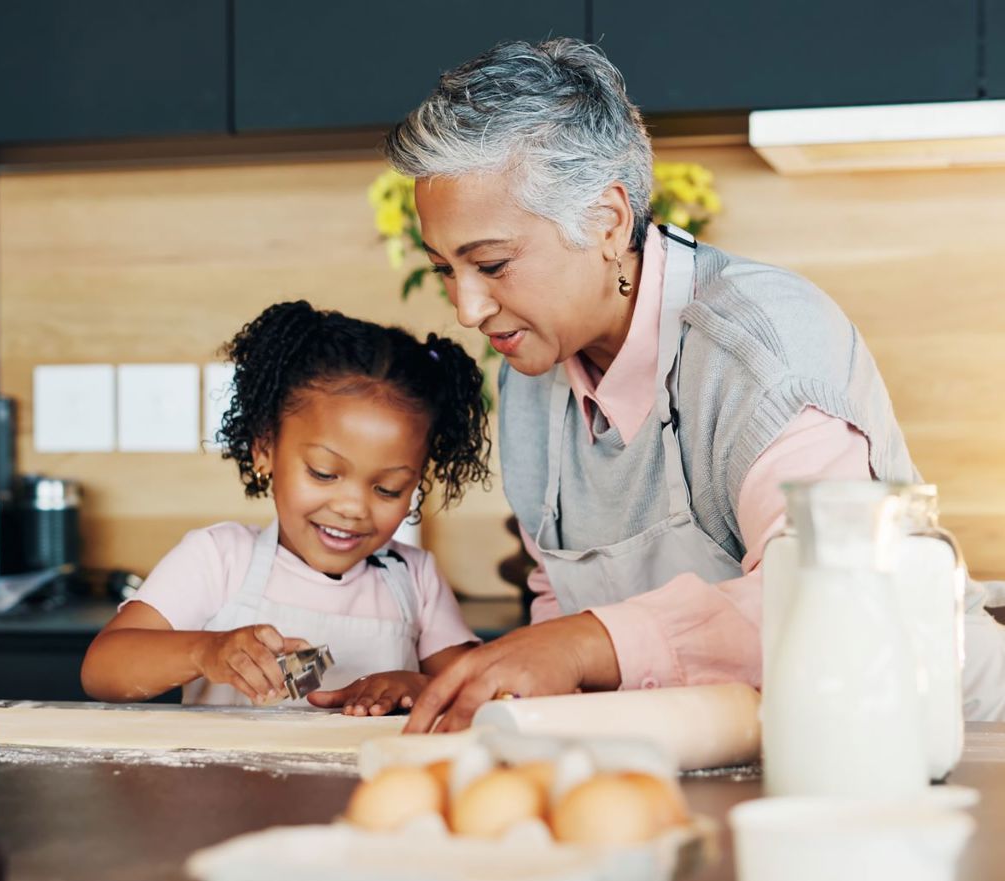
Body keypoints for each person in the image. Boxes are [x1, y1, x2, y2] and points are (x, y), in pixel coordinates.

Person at [381, 37, 1005, 732]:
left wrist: (585, 644)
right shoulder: (532, 373)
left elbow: (831, 596)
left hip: (936, 738)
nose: (467, 309)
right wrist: (497, 688)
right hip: (740, 748)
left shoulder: (763, 349)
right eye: (444, 268)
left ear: (609, 222)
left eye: (492, 265)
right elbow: (557, 596)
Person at [81, 300, 490, 712]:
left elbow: (483, 689)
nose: (352, 508)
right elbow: (103, 670)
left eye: (388, 489)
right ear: (265, 449)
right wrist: (206, 652)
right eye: (324, 473)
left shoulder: (414, 580)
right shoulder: (218, 559)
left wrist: (419, 685)